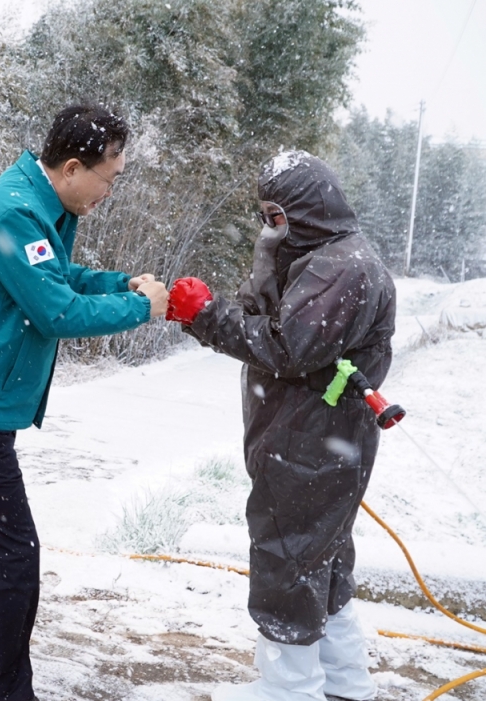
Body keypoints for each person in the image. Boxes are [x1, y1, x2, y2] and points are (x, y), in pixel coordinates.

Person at [0, 104, 169, 701]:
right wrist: (143, 308)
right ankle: (6, 691)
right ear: (75, 166)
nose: (111, 191)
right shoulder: (15, 210)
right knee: (14, 556)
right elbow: (55, 311)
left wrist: (119, 282)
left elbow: (55, 277)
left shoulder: (38, 201)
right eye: (110, 178)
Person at [165, 151, 395, 701]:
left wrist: (203, 315)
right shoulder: (320, 255)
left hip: (310, 445)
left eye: (274, 214)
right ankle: (344, 685)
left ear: (304, 208)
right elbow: (264, 316)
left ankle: (287, 690)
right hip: (313, 440)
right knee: (323, 562)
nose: (269, 225)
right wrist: (266, 262)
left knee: (288, 562)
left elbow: (283, 346)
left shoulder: (342, 268)